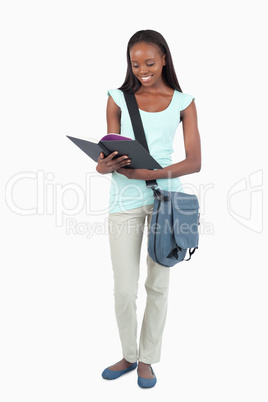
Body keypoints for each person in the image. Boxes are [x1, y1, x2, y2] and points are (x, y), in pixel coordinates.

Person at [96, 29, 201, 388]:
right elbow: (107, 150)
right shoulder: (116, 99)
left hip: (168, 203)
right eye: (135, 63)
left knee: (158, 285)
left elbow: (195, 162)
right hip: (123, 202)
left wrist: (150, 173)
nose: (142, 69)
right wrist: (102, 165)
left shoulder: (183, 102)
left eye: (150, 63)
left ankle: (147, 359)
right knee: (124, 289)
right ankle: (128, 353)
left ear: (165, 60)